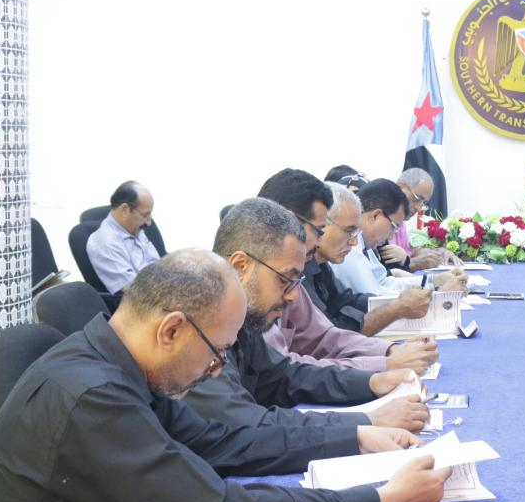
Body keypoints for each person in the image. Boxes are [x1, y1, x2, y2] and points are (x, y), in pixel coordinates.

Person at [0, 250, 449, 502]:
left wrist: (355, 437)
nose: (216, 367)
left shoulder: (115, 363)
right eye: (217, 350)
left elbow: (220, 442)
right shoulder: (92, 397)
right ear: (171, 330)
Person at [183, 197, 431, 434]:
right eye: (285, 280)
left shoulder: (243, 320)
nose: (293, 296)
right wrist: (363, 423)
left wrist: (370, 382)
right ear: (240, 266)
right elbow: (245, 425)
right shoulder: (198, 329)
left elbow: (286, 377)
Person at [255, 171, 437, 373]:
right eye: (319, 229)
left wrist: (389, 351)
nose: (353, 241)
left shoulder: (307, 267)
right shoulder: (266, 279)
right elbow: (287, 372)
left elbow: (325, 336)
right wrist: (385, 364)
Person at [331, 179, 466, 296]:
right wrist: (438, 294)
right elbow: (376, 298)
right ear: (375, 216)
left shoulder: (365, 244)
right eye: (394, 226)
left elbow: (384, 282)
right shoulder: (350, 247)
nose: (391, 235)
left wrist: (435, 280)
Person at [85, 180, 161, 293]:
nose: (148, 223)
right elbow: (134, 290)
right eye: (145, 215)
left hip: (159, 287)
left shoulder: (133, 228)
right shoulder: (106, 243)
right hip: (144, 299)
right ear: (125, 210)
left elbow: (157, 264)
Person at [380, 167, 460, 271]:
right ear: (400, 187)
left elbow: (412, 251)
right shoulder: (382, 218)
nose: (418, 208)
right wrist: (415, 263)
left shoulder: (401, 222)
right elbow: (383, 272)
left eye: (423, 203)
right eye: (416, 198)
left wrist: (438, 253)